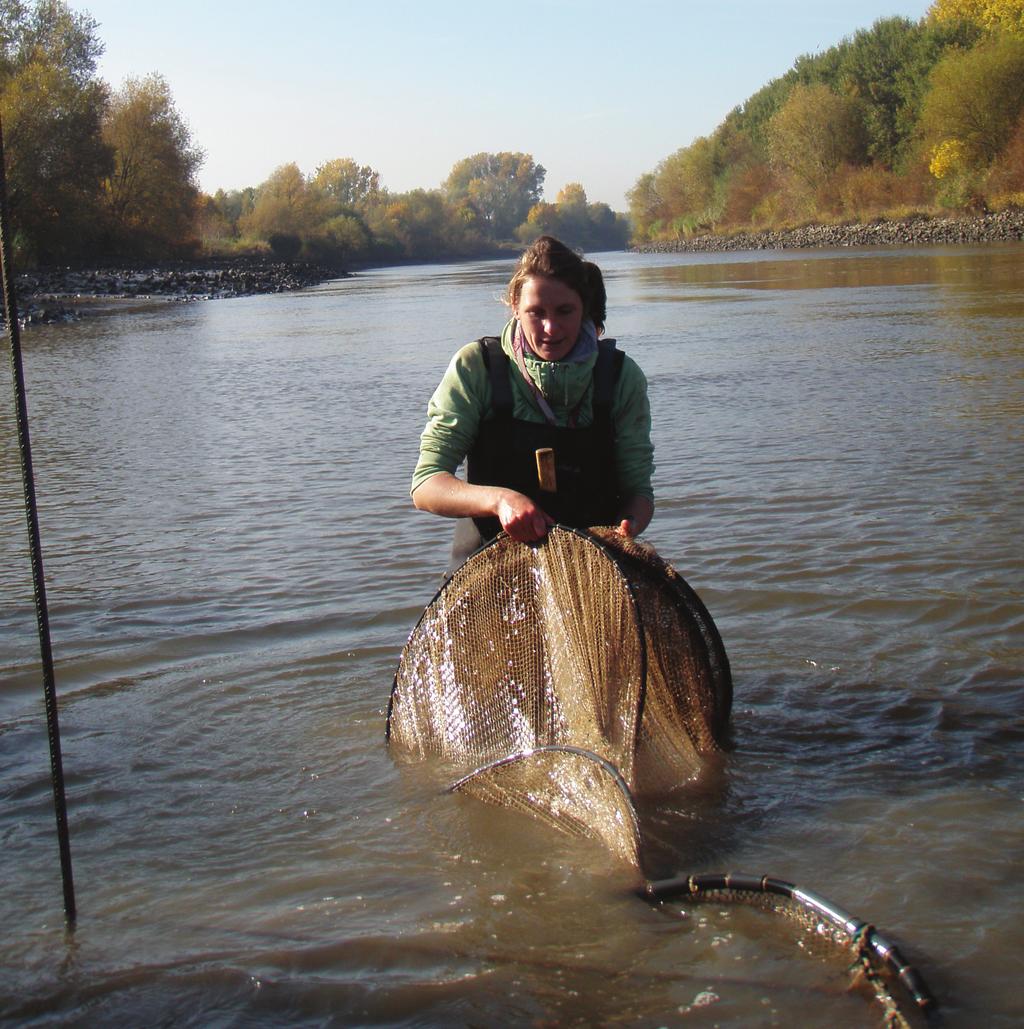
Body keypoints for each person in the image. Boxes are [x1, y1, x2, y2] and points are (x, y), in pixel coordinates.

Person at [410, 236, 654, 565]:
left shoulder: (622, 377)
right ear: (514, 305)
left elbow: (639, 492)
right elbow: (427, 485)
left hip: (589, 569)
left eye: (565, 311)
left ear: (584, 307)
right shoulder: (476, 367)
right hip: (487, 571)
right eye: (536, 313)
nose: (550, 328)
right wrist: (499, 501)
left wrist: (630, 526)